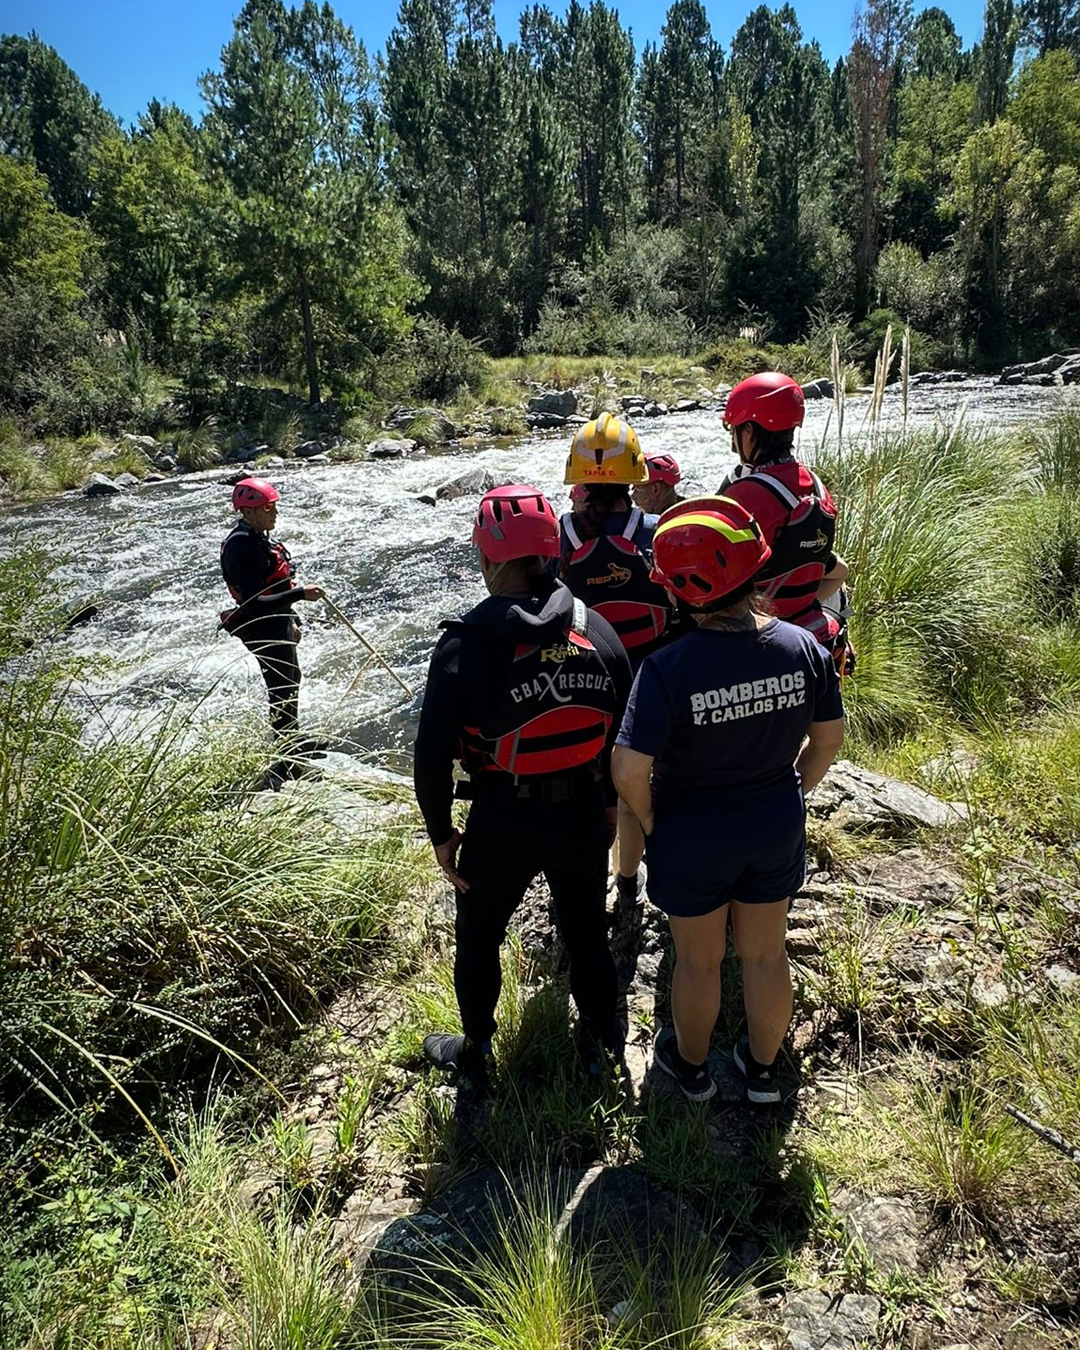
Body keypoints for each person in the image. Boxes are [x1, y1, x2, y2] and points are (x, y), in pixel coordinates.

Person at [611, 496, 845, 1105]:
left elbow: (628, 766)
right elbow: (827, 742)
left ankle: (690, 1071)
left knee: (698, 962)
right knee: (767, 954)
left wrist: (652, 815)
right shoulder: (803, 647)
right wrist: (791, 788)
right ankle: (764, 1072)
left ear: (682, 591)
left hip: (692, 828)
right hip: (773, 817)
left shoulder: (666, 667)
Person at [413, 484, 633, 1088]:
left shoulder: (461, 647)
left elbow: (431, 754)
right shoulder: (601, 632)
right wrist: (611, 806)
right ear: (552, 553)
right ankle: (600, 1044)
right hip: (582, 811)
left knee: (479, 935)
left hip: (502, 819)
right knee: (587, 931)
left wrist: (441, 833)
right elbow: (620, 732)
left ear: (487, 561)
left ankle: (477, 1050)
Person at [556, 413, 674, 911]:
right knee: (634, 784)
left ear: (578, 478)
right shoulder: (655, 528)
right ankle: (629, 882)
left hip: (582, 679)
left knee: (588, 781)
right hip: (651, 677)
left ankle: (582, 883)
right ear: (635, 477)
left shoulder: (559, 535)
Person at [718, 373, 850, 663]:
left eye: (735, 430)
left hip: (757, 633)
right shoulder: (816, 485)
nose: (733, 443)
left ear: (750, 431)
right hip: (806, 628)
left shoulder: (748, 494)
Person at [219, 477, 323, 738]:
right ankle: (285, 757)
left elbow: (277, 587)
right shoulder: (242, 548)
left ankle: (292, 741)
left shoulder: (258, 539)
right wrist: (300, 594)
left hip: (277, 621)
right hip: (261, 628)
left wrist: (292, 619)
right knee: (280, 688)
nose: (275, 512)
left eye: (274, 506)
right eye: (268, 508)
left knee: (291, 680)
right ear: (248, 511)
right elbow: (253, 604)